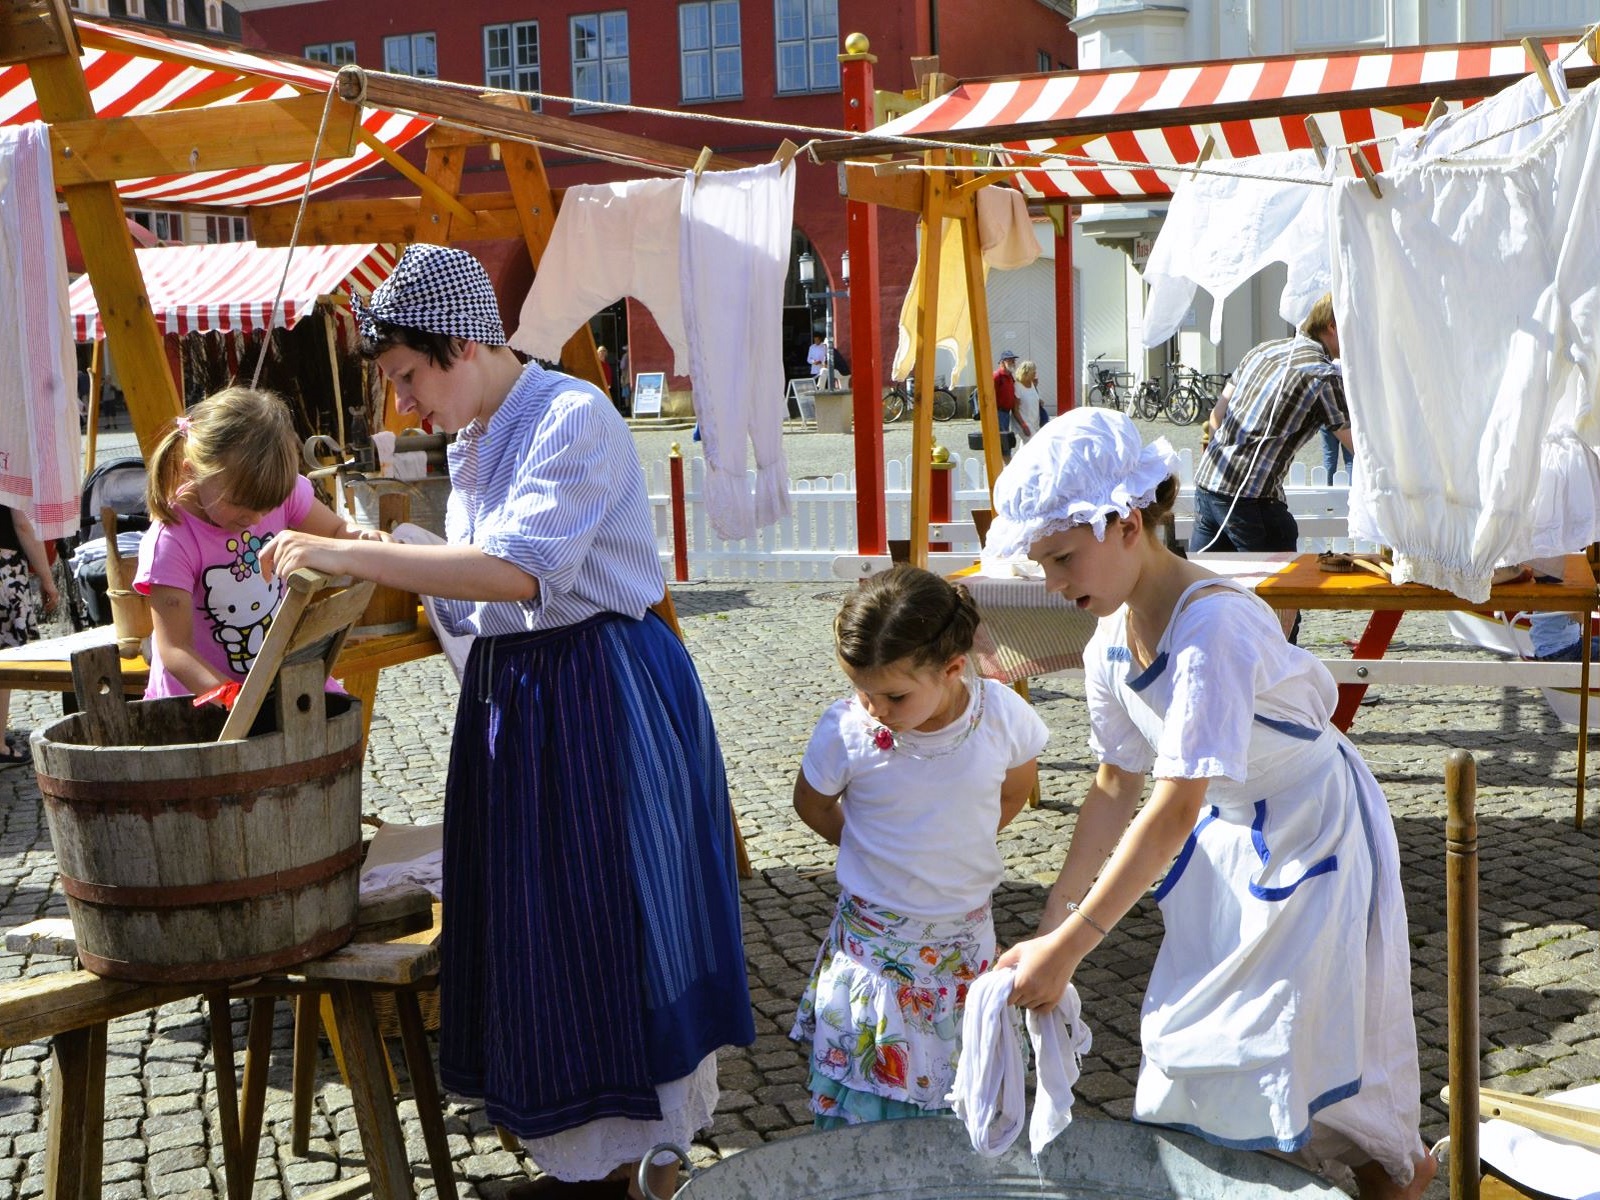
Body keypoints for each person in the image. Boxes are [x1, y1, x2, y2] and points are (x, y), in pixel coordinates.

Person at [258, 245, 753, 1200]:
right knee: (541, 926)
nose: (405, 404)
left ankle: (639, 1162)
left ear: (462, 343)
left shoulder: (573, 416)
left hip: (602, 693)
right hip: (523, 697)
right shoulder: (477, 439)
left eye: (409, 376)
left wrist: (355, 555)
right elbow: (474, 579)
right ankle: (585, 1161)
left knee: (617, 916)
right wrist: (376, 544)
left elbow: (519, 572)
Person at [984, 408, 1433, 1200]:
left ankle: (1394, 1177)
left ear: (1128, 524)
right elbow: (1116, 783)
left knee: (1309, 1042)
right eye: (1043, 563)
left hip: (1312, 831)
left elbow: (1170, 808)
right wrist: (1055, 916)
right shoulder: (1110, 639)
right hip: (1233, 839)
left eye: (1061, 558)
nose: (1052, 583)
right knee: (1210, 1042)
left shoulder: (1212, 631)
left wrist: (1072, 948)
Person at [791, 564, 1047, 1127]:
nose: (876, 709)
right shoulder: (848, 729)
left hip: (965, 939)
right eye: (862, 691)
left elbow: (1015, 789)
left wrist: (958, 843)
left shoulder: (1002, 715)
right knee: (866, 1109)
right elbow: (812, 803)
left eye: (894, 695)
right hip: (874, 946)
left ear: (953, 668)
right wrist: (872, 848)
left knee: (962, 1093)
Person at [133, 387, 368, 701]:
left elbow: (337, 531)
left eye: (267, 508)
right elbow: (176, 650)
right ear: (193, 472)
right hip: (199, 703)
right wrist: (236, 699)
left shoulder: (272, 492)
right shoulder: (172, 541)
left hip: (270, 682)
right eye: (239, 505)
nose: (255, 519)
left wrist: (367, 541)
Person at [1189, 293, 1351, 640]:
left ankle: (1210, 660)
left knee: (1201, 594)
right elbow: (1357, 446)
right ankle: (1276, 667)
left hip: (1210, 484)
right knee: (1275, 604)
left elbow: (1217, 416)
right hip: (1250, 498)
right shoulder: (1322, 375)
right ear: (1332, 326)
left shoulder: (1262, 350)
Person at [0, 504, 59, 765]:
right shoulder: (8, 475)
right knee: (2, 659)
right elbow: (23, 524)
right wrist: (47, 579)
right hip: (4, 567)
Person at [991, 350, 1019, 441]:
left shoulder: (1010, 376)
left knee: (1005, 439)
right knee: (1002, 440)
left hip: (1007, 413)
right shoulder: (997, 376)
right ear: (1002, 362)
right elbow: (990, 396)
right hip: (999, 413)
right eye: (1010, 360)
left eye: (1013, 360)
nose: (1013, 362)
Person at [1013, 359, 1043, 441]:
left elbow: (1031, 398)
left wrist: (1039, 401)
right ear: (1026, 373)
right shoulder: (1017, 386)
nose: (1035, 373)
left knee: (1027, 445)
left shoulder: (1032, 384)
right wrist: (1023, 425)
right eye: (1033, 371)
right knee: (1034, 443)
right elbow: (1015, 410)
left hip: (1035, 422)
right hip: (1025, 423)